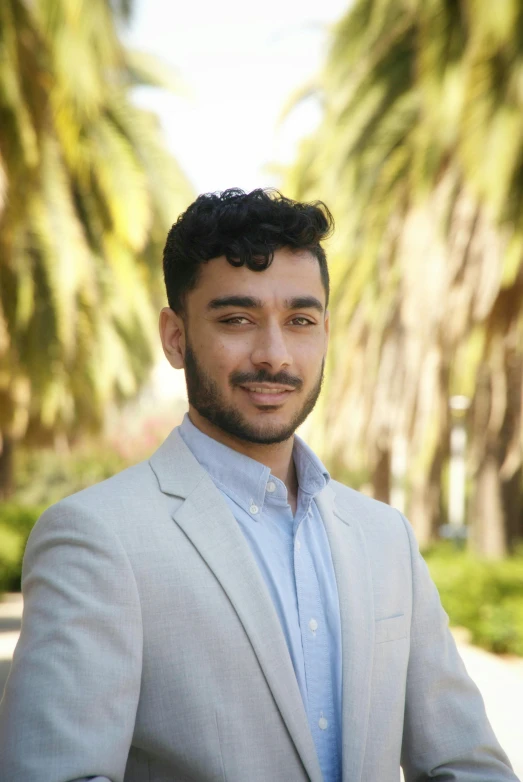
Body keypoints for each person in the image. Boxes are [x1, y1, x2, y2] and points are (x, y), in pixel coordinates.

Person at [0, 188, 518, 782]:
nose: (274, 355)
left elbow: (465, 764)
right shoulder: (96, 538)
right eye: (237, 319)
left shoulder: (385, 539)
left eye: (301, 321)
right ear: (175, 338)